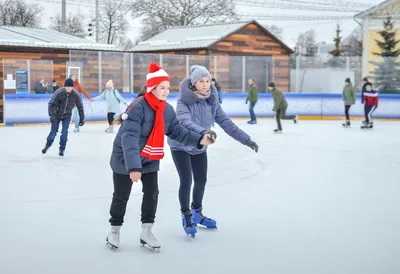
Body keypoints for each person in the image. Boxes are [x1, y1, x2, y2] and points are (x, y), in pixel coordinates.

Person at [106, 63, 216, 251]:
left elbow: (178, 132)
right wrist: (133, 167)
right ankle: (114, 230)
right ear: (152, 88)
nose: (166, 91)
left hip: (149, 157)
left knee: (151, 194)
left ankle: (146, 231)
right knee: (121, 196)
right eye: (162, 88)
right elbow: (129, 138)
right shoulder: (138, 107)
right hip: (125, 158)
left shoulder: (167, 110)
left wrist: (200, 139)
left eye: (167, 88)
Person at [168, 65, 259, 238]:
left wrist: (246, 139)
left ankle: (197, 212)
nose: (205, 84)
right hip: (180, 145)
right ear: (194, 83)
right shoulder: (183, 102)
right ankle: (186, 215)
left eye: (207, 81)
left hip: (200, 146)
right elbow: (185, 122)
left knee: (201, 180)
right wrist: (203, 132)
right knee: (186, 180)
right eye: (201, 81)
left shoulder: (212, 103)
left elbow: (226, 123)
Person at [41, 78, 85, 156]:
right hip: (56, 115)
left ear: (72, 87)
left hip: (67, 115)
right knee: (53, 133)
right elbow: (51, 104)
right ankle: (47, 145)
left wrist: (82, 118)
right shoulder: (59, 92)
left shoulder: (76, 94)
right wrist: (52, 115)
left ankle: (62, 149)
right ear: (65, 86)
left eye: (70, 87)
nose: (68, 88)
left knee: (64, 133)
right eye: (67, 86)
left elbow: (80, 107)